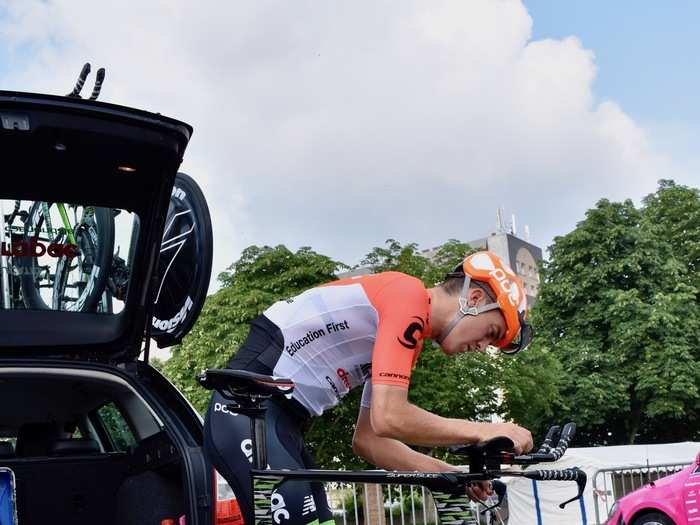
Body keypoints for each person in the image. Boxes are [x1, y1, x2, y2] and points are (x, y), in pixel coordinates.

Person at [203, 250, 535, 525]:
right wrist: (484, 430)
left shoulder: (407, 335)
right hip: (246, 411)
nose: (482, 347)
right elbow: (389, 417)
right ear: (474, 299)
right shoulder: (408, 297)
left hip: (281, 424)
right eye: (490, 333)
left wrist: (449, 474)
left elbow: (369, 440)